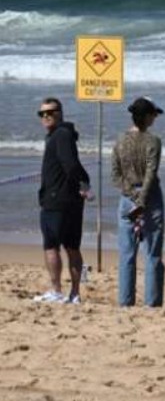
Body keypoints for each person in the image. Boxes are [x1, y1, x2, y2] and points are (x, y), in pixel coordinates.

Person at [34, 97, 90, 304]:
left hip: (58, 200)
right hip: (70, 200)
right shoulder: (63, 135)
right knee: (71, 247)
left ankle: (58, 291)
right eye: (42, 113)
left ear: (60, 113)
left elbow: (71, 165)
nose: (46, 116)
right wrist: (85, 183)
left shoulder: (60, 135)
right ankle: (74, 294)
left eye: (51, 112)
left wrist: (84, 184)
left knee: (52, 246)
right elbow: (75, 166)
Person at [111, 96, 165, 308]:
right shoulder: (153, 141)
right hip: (148, 196)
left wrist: (131, 196)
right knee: (152, 253)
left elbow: (115, 176)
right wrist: (141, 199)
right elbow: (151, 173)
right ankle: (151, 303)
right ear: (147, 116)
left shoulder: (120, 140)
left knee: (126, 254)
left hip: (127, 196)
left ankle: (125, 301)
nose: (155, 118)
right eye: (153, 114)